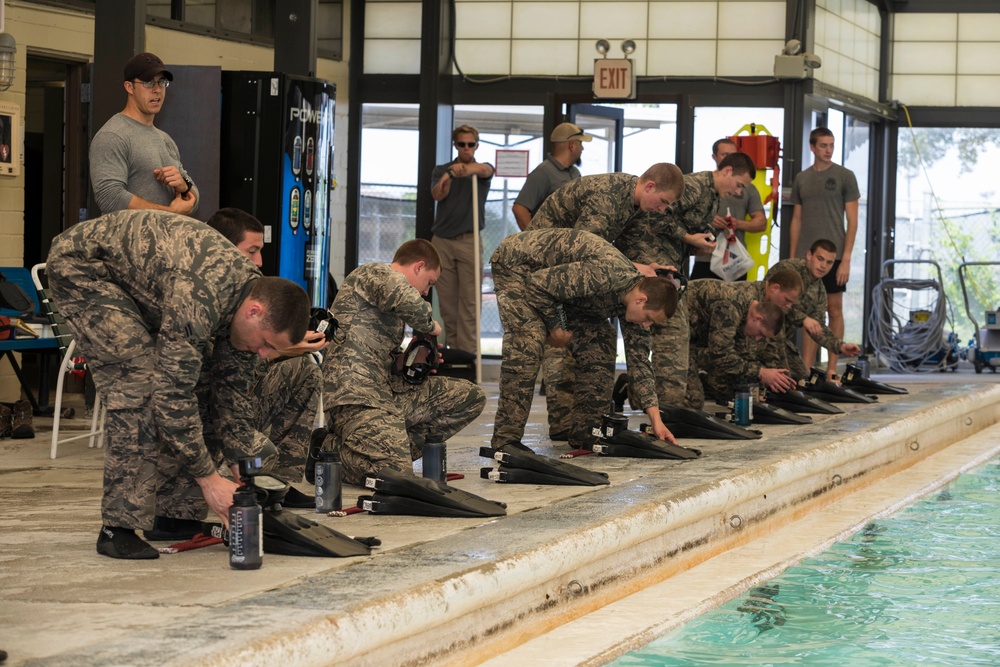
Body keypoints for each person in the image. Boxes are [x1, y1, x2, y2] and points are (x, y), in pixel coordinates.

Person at [46, 210, 311, 560]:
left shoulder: (247, 302)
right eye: (265, 343)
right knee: (138, 385)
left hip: (141, 281)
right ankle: (117, 527)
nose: (263, 354)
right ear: (254, 312)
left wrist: (240, 459)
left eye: (271, 350)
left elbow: (230, 393)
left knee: (202, 383)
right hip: (84, 269)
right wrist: (209, 480)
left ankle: (172, 516)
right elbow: (171, 395)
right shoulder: (199, 298)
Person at [524, 162, 685, 440]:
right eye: (662, 202)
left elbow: (629, 268)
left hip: (575, 278)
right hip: (541, 270)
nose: (662, 209)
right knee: (559, 348)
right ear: (649, 186)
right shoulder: (607, 196)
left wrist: (649, 271)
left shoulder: (637, 211)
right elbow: (583, 250)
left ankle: (586, 431)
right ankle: (555, 428)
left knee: (601, 339)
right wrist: (635, 267)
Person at [490, 228, 679, 454]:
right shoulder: (607, 273)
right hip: (519, 266)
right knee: (528, 342)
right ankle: (506, 440)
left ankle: (586, 432)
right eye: (649, 318)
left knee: (600, 342)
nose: (646, 325)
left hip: (556, 290)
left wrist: (656, 421)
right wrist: (555, 327)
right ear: (641, 300)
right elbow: (538, 284)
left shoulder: (633, 306)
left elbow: (640, 364)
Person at [321, 239, 486, 486]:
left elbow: (381, 355)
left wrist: (405, 361)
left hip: (385, 395)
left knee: (471, 397)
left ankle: (390, 448)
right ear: (418, 266)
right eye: (429, 283)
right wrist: (432, 326)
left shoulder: (391, 307)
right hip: (355, 399)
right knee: (396, 477)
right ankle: (328, 451)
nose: (427, 293)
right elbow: (405, 299)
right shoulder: (374, 273)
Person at [617, 152, 757, 408]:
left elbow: (677, 232)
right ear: (726, 171)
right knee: (669, 336)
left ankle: (647, 397)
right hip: (650, 269)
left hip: (668, 272)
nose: (738, 192)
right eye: (739, 184)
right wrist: (688, 238)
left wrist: (697, 247)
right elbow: (655, 216)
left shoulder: (712, 197)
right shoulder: (694, 186)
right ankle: (661, 405)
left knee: (663, 338)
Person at [205, 207, 327, 480]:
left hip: (238, 401)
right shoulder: (200, 296)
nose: (259, 261)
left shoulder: (245, 289)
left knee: (304, 370)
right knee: (262, 451)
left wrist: (281, 348)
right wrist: (277, 350)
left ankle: (282, 480)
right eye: (252, 251)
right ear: (222, 247)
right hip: (208, 413)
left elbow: (242, 372)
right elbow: (214, 381)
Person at [788, 127, 861, 377]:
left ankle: (831, 368)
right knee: (809, 313)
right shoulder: (802, 178)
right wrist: (792, 258)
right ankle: (807, 371)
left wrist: (846, 260)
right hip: (806, 257)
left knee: (834, 309)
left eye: (831, 145)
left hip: (835, 256)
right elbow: (796, 219)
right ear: (812, 147)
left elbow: (852, 221)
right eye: (823, 145)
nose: (828, 150)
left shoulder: (845, 176)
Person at [90, 52, 199, 215]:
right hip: (131, 240)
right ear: (129, 87)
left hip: (166, 239)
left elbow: (193, 191)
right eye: (148, 83)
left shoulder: (164, 139)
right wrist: (168, 213)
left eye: (162, 82)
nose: (157, 90)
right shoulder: (113, 135)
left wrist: (184, 187)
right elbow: (109, 197)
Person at [430, 124, 495, 355]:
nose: (466, 148)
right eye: (461, 144)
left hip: (469, 240)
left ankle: (468, 358)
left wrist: (464, 170)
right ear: (455, 145)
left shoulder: (482, 169)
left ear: (476, 146)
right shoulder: (441, 170)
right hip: (443, 242)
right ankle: (455, 356)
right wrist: (449, 174)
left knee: (470, 304)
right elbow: (438, 194)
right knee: (448, 306)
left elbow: (486, 170)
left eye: (471, 144)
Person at [684, 278, 793, 408]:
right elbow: (720, 354)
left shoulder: (745, 315)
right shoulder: (732, 306)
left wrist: (755, 390)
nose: (757, 339)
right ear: (758, 319)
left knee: (726, 390)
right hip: (672, 327)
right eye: (761, 334)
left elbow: (741, 359)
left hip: (689, 339)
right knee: (692, 401)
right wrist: (761, 372)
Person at [766, 239, 862, 380]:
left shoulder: (820, 290)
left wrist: (841, 346)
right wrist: (804, 318)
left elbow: (819, 328)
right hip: (761, 333)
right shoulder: (788, 269)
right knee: (784, 379)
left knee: (803, 376)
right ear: (809, 255)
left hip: (781, 341)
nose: (823, 266)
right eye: (820, 259)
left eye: (829, 263)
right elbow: (772, 302)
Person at [690, 139, 767, 280]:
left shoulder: (748, 188)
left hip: (734, 260)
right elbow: (678, 218)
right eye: (725, 155)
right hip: (705, 258)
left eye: (734, 155)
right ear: (715, 157)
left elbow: (761, 222)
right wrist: (708, 219)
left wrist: (737, 224)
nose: (737, 191)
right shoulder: (700, 185)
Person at [511, 122, 591, 231]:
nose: (582, 149)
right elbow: (519, 209)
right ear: (572, 145)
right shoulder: (543, 173)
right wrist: (535, 240)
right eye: (580, 143)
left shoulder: (575, 173)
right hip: (550, 246)